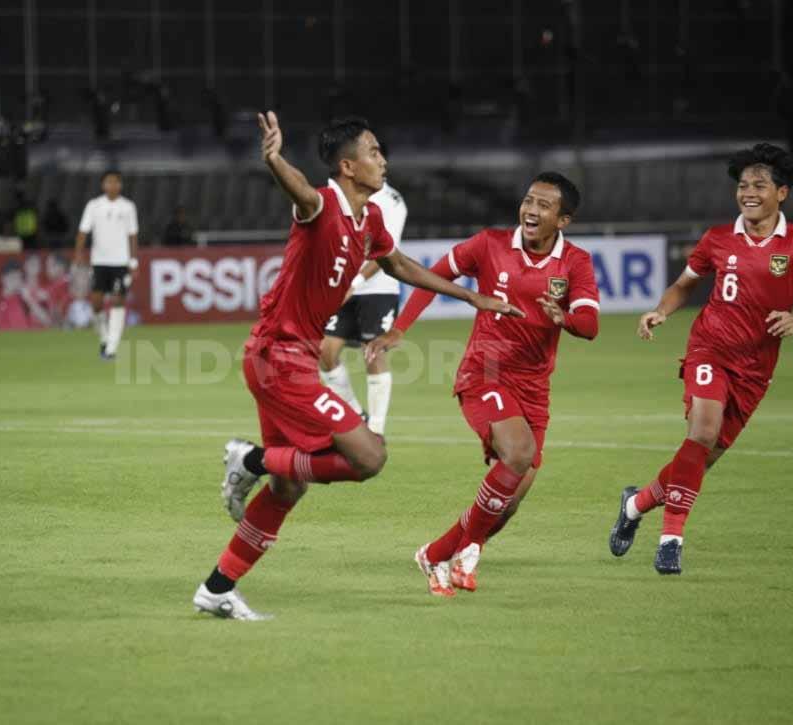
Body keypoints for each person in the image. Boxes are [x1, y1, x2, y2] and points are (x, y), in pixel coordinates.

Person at [191, 113, 522, 620]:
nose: (382, 158)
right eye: (372, 151)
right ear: (347, 166)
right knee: (368, 456)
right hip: (278, 359)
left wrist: (472, 297)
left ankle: (217, 589)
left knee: (289, 488)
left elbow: (404, 267)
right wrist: (275, 159)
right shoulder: (322, 206)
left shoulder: (369, 223)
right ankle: (249, 459)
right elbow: (300, 192)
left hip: (288, 360)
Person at [608, 143, 793, 575]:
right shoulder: (717, 238)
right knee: (703, 430)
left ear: (782, 193)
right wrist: (661, 310)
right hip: (709, 349)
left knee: (702, 457)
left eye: (760, 185)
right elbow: (684, 285)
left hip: (756, 368)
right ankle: (671, 542)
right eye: (743, 185)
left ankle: (636, 504)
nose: (748, 192)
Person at [365, 172, 599, 596]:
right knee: (518, 453)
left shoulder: (575, 263)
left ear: (562, 220)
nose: (531, 210)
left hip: (535, 384)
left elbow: (591, 324)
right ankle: (454, 552)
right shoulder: (489, 243)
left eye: (544, 206)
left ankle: (446, 551)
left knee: (513, 495)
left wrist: (567, 319)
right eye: (529, 200)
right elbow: (432, 275)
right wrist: (399, 330)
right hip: (485, 371)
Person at [318, 179, 407, 435]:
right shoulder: (343, 195)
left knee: (373, 352)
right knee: (325, 351)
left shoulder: (390, 201)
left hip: (378, 288)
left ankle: (376, 431)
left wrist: (354, 283)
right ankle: (356, 414)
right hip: (344, 284)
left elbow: (387, 253)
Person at [74, 170, 138, 360]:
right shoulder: (94, 206)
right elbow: (83, 231)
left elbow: (132, 235)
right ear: (103, 185)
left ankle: (111, 347)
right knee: (96, 303)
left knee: (118, 300)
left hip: (120, 262)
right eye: (109, 182)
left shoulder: (128, 207)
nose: (112, 185)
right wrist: (78, 253)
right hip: (99, 262)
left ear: (120, 185)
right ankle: (104, 336)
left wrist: (134, 261)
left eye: (116, 182)